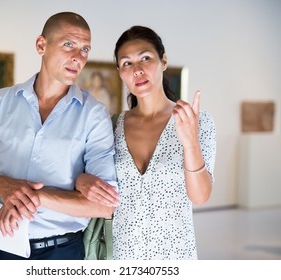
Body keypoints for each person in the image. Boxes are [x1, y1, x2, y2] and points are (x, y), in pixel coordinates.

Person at [0, 12, 118, 260]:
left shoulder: (95, 115)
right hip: (0, 245)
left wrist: (34, 196)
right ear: (41, 45)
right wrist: (1, 185)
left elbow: (104, 205)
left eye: (85, 49)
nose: (78, 58)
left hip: (62, 253)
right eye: (69, 44)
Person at [76, 26, 216, 260]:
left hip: (175, 256)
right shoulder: (111, 125)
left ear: (163, 61)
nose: (137, 70)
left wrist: (190, 143)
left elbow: (200, 196)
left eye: (145, 58)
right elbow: (89, 181)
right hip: (121, 256)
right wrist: (81, 180)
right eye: (127, 63)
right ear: (120, 72)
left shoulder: (197, 121)